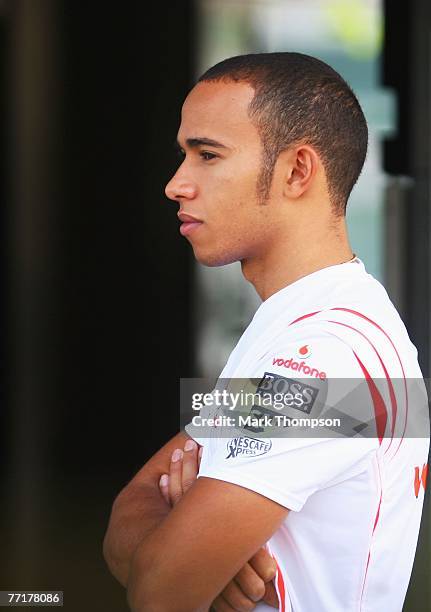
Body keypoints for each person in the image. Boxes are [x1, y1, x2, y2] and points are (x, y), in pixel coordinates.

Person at [103, 52, 430, 611]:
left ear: (298, 171)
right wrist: (193, 548)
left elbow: (159, 590)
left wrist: (184, 546)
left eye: (207, 155)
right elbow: (127, 516)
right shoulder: (300, 323)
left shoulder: (326, 358)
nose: (176, 185)